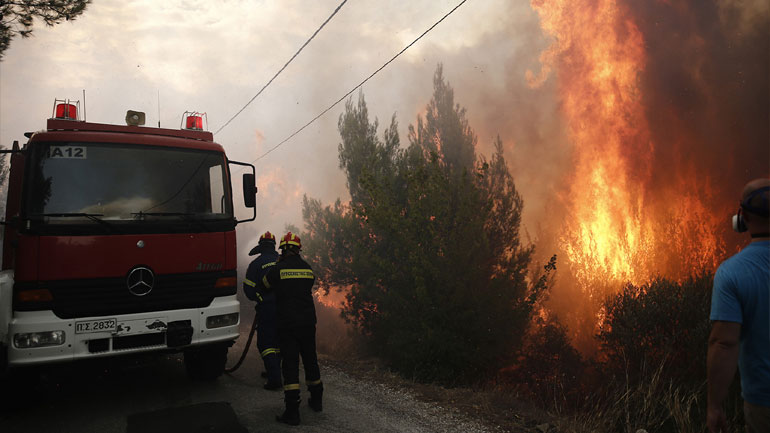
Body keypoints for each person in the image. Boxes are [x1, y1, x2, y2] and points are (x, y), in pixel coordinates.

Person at [708, 178, 770, 433]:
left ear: (741, 217)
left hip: (763, 405)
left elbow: (724, 343)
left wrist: (714, 406)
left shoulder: (732, 273)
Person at [258, 231, 323, 426]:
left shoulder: (279, 269)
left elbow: (263, 286)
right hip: (308, 322)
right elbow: (309, 283)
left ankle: (292, 412)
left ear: (284, 249)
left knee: (291, 365)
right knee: (311, 360)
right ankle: (317, 401)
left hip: (288, 324)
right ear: (298, 250)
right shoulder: (307, 268)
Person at [243, 231, 282, 390]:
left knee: (265, 343)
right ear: (274, 246)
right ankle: (274, 370)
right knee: (278, 341)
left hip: (267, 309)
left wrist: (259, 298)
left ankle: (274, 379)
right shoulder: (282, 261)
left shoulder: (256, 264)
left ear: (261, 246)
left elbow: (248, 289)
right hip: (285, 308)